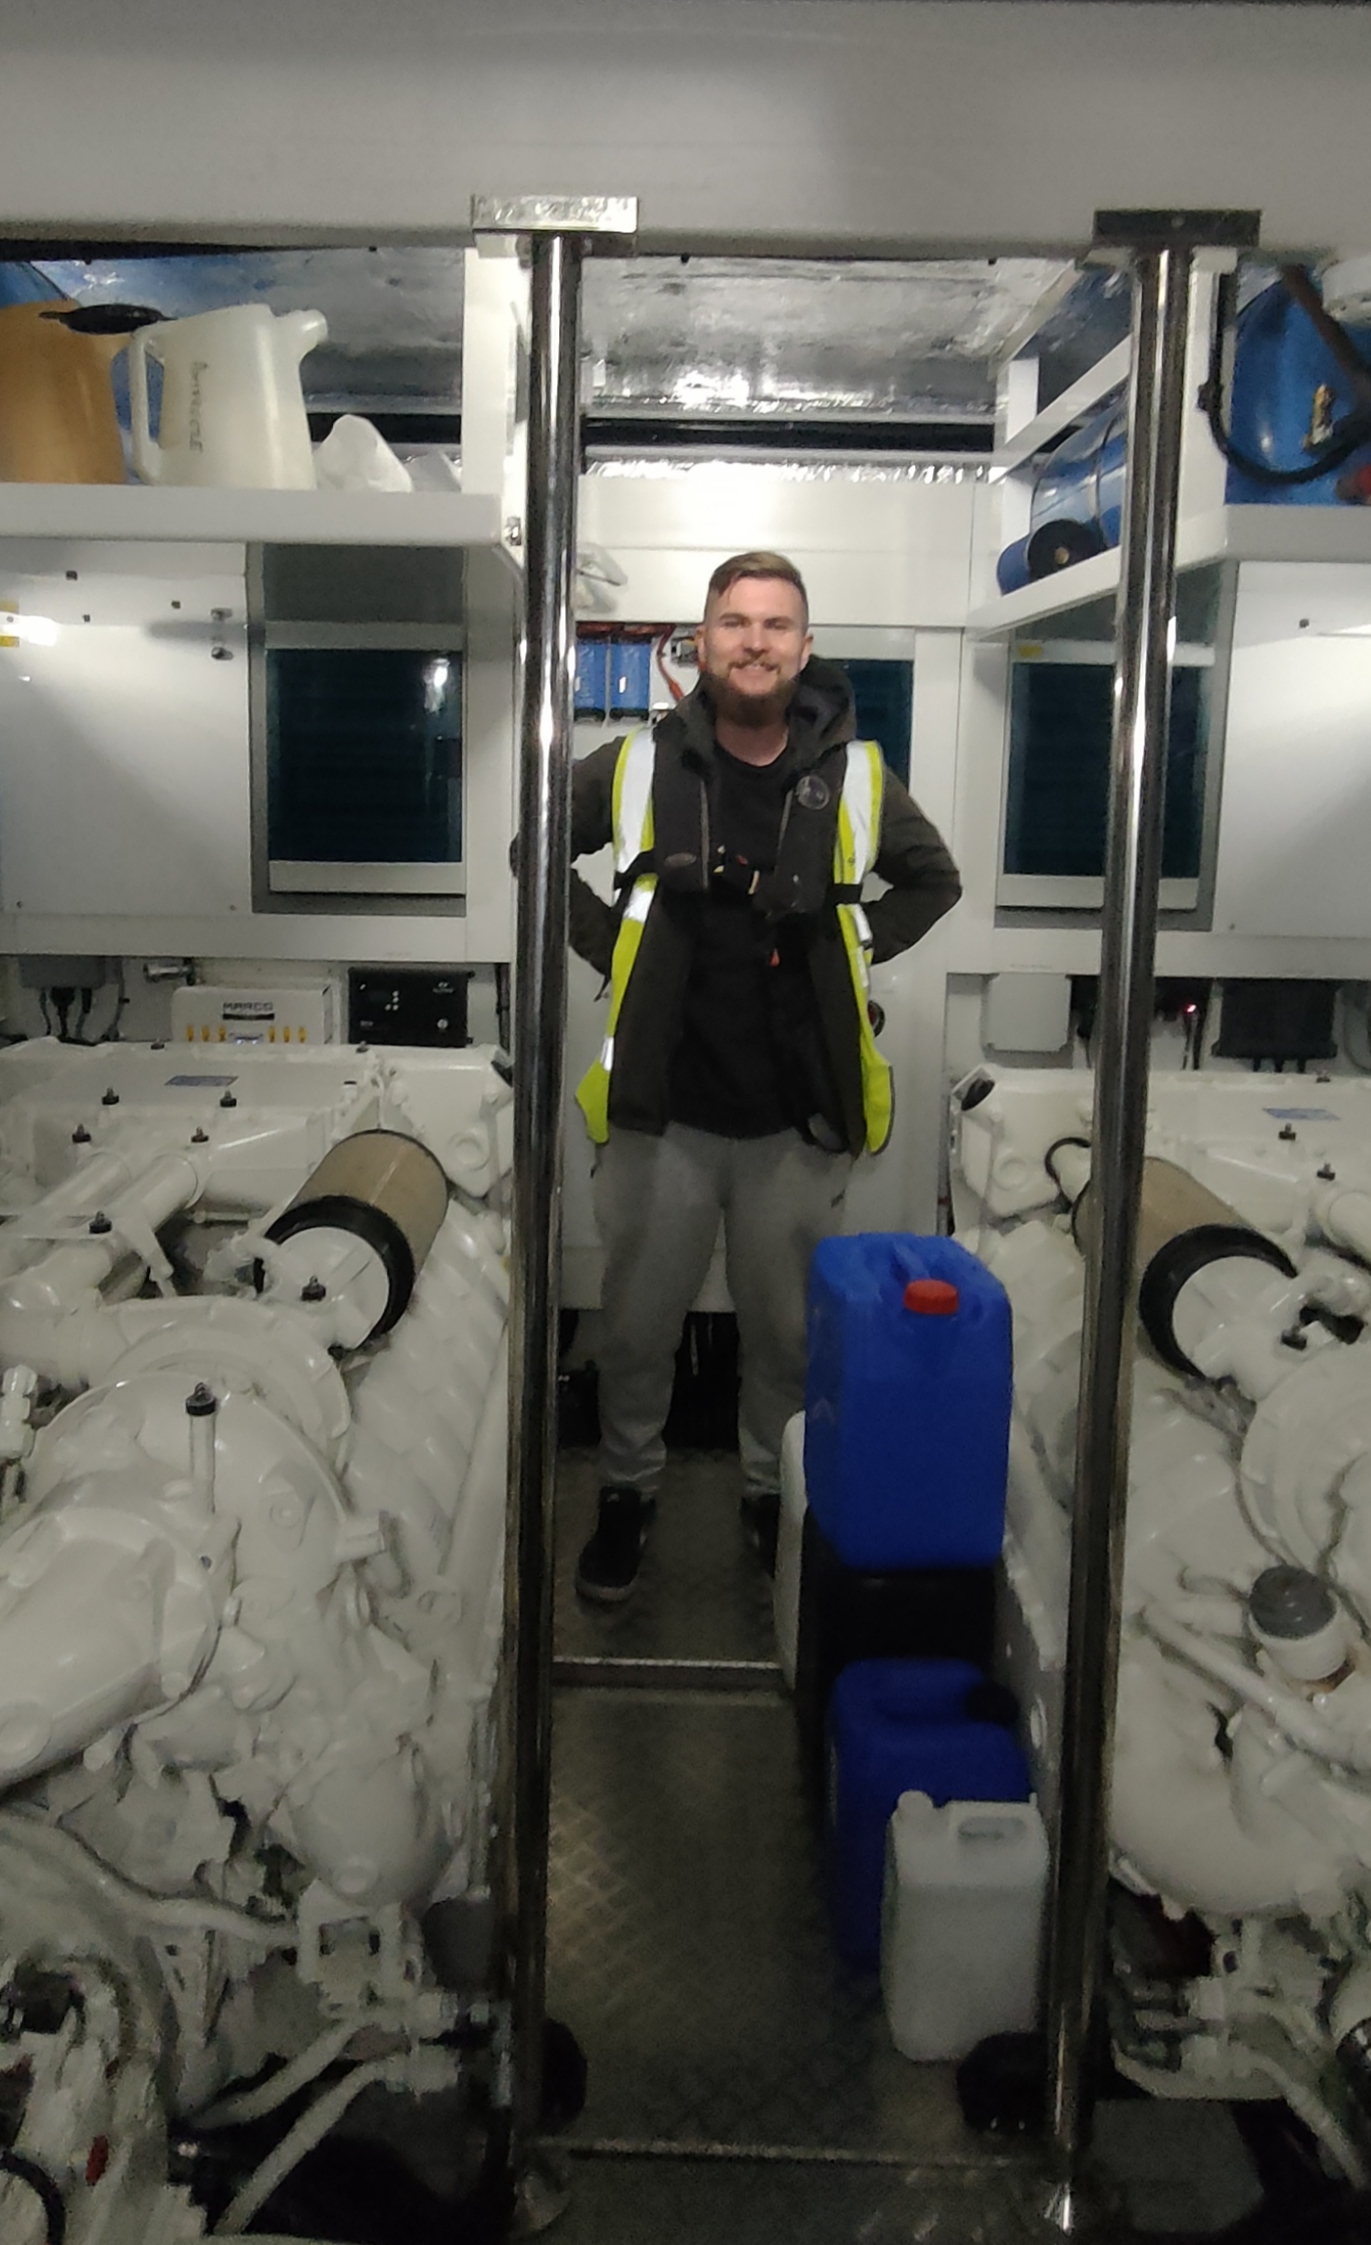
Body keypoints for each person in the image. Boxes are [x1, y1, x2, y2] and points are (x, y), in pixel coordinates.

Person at [568, 551, 960, 1601]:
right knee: (638, 1329)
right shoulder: (637, 765)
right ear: (701, 643)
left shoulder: (860, 777)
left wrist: (855, 942)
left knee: (785, 1336)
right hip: (663, 1115)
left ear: (805, 647)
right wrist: (613, 945)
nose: (754, 642)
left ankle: (766, 1497)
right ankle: (625, 1495)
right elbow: (533, 854)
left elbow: (936, 879)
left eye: (776, 624)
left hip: (796, 1120)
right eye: (734, 622)